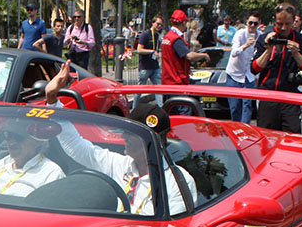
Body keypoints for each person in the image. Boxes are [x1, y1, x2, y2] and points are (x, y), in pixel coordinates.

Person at [44, 60, 197, 215]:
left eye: (132, 133)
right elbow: (76, 146)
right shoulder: (120, 164)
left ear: (152, 141)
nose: (124, 137)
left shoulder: (178, 182)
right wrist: (52, 99)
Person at [251, 3, 302, 132]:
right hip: (268, 96)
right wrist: (268, 50)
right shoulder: (265, 38)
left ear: (294, 22)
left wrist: (296, 54)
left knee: (292, 139)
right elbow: (254, 68)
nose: (284, 28)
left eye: (288, 24)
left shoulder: (301, 39)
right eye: (280, 24)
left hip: (290, 97)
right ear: (274, 20)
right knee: (266, 138)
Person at [0, 127, 64, 196]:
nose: (11, 143)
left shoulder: (52, 173)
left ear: (38, 142)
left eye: (19, 137)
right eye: (8, 136)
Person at [161, 9, 210, 115]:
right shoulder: (176, 39)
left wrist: (186, 68)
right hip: (177, 82)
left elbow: (173, 59)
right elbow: (189, 56)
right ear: (183, 23)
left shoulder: (167, 37)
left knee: (172, 114)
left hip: (168, 81)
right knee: (184, 112)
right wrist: (203, 55)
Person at [226, 12, 261, 124]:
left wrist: (257, 75)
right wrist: (246, 45)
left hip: (249, 75)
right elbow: (234, 53)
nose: (252, 26)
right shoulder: (240, 34)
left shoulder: (260, 36)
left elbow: (260, 57)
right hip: (235, 74)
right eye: (250, 23)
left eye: (255, 24)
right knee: (235, 106)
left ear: (259, 24)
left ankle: (245, 127)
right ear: (246, 23)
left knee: (247, 104)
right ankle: (236, 127)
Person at [134, 15, 164, 109]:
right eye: (158, 24)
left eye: (161, 25)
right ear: (153, 23)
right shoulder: (145, 34)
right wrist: (151, 51)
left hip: (155, 66)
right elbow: (139, 50)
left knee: (159, 88)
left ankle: (161, 109)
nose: (159, 26)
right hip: (145, 67)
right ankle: (134, 108)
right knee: (139, 90)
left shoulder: (157, 36)